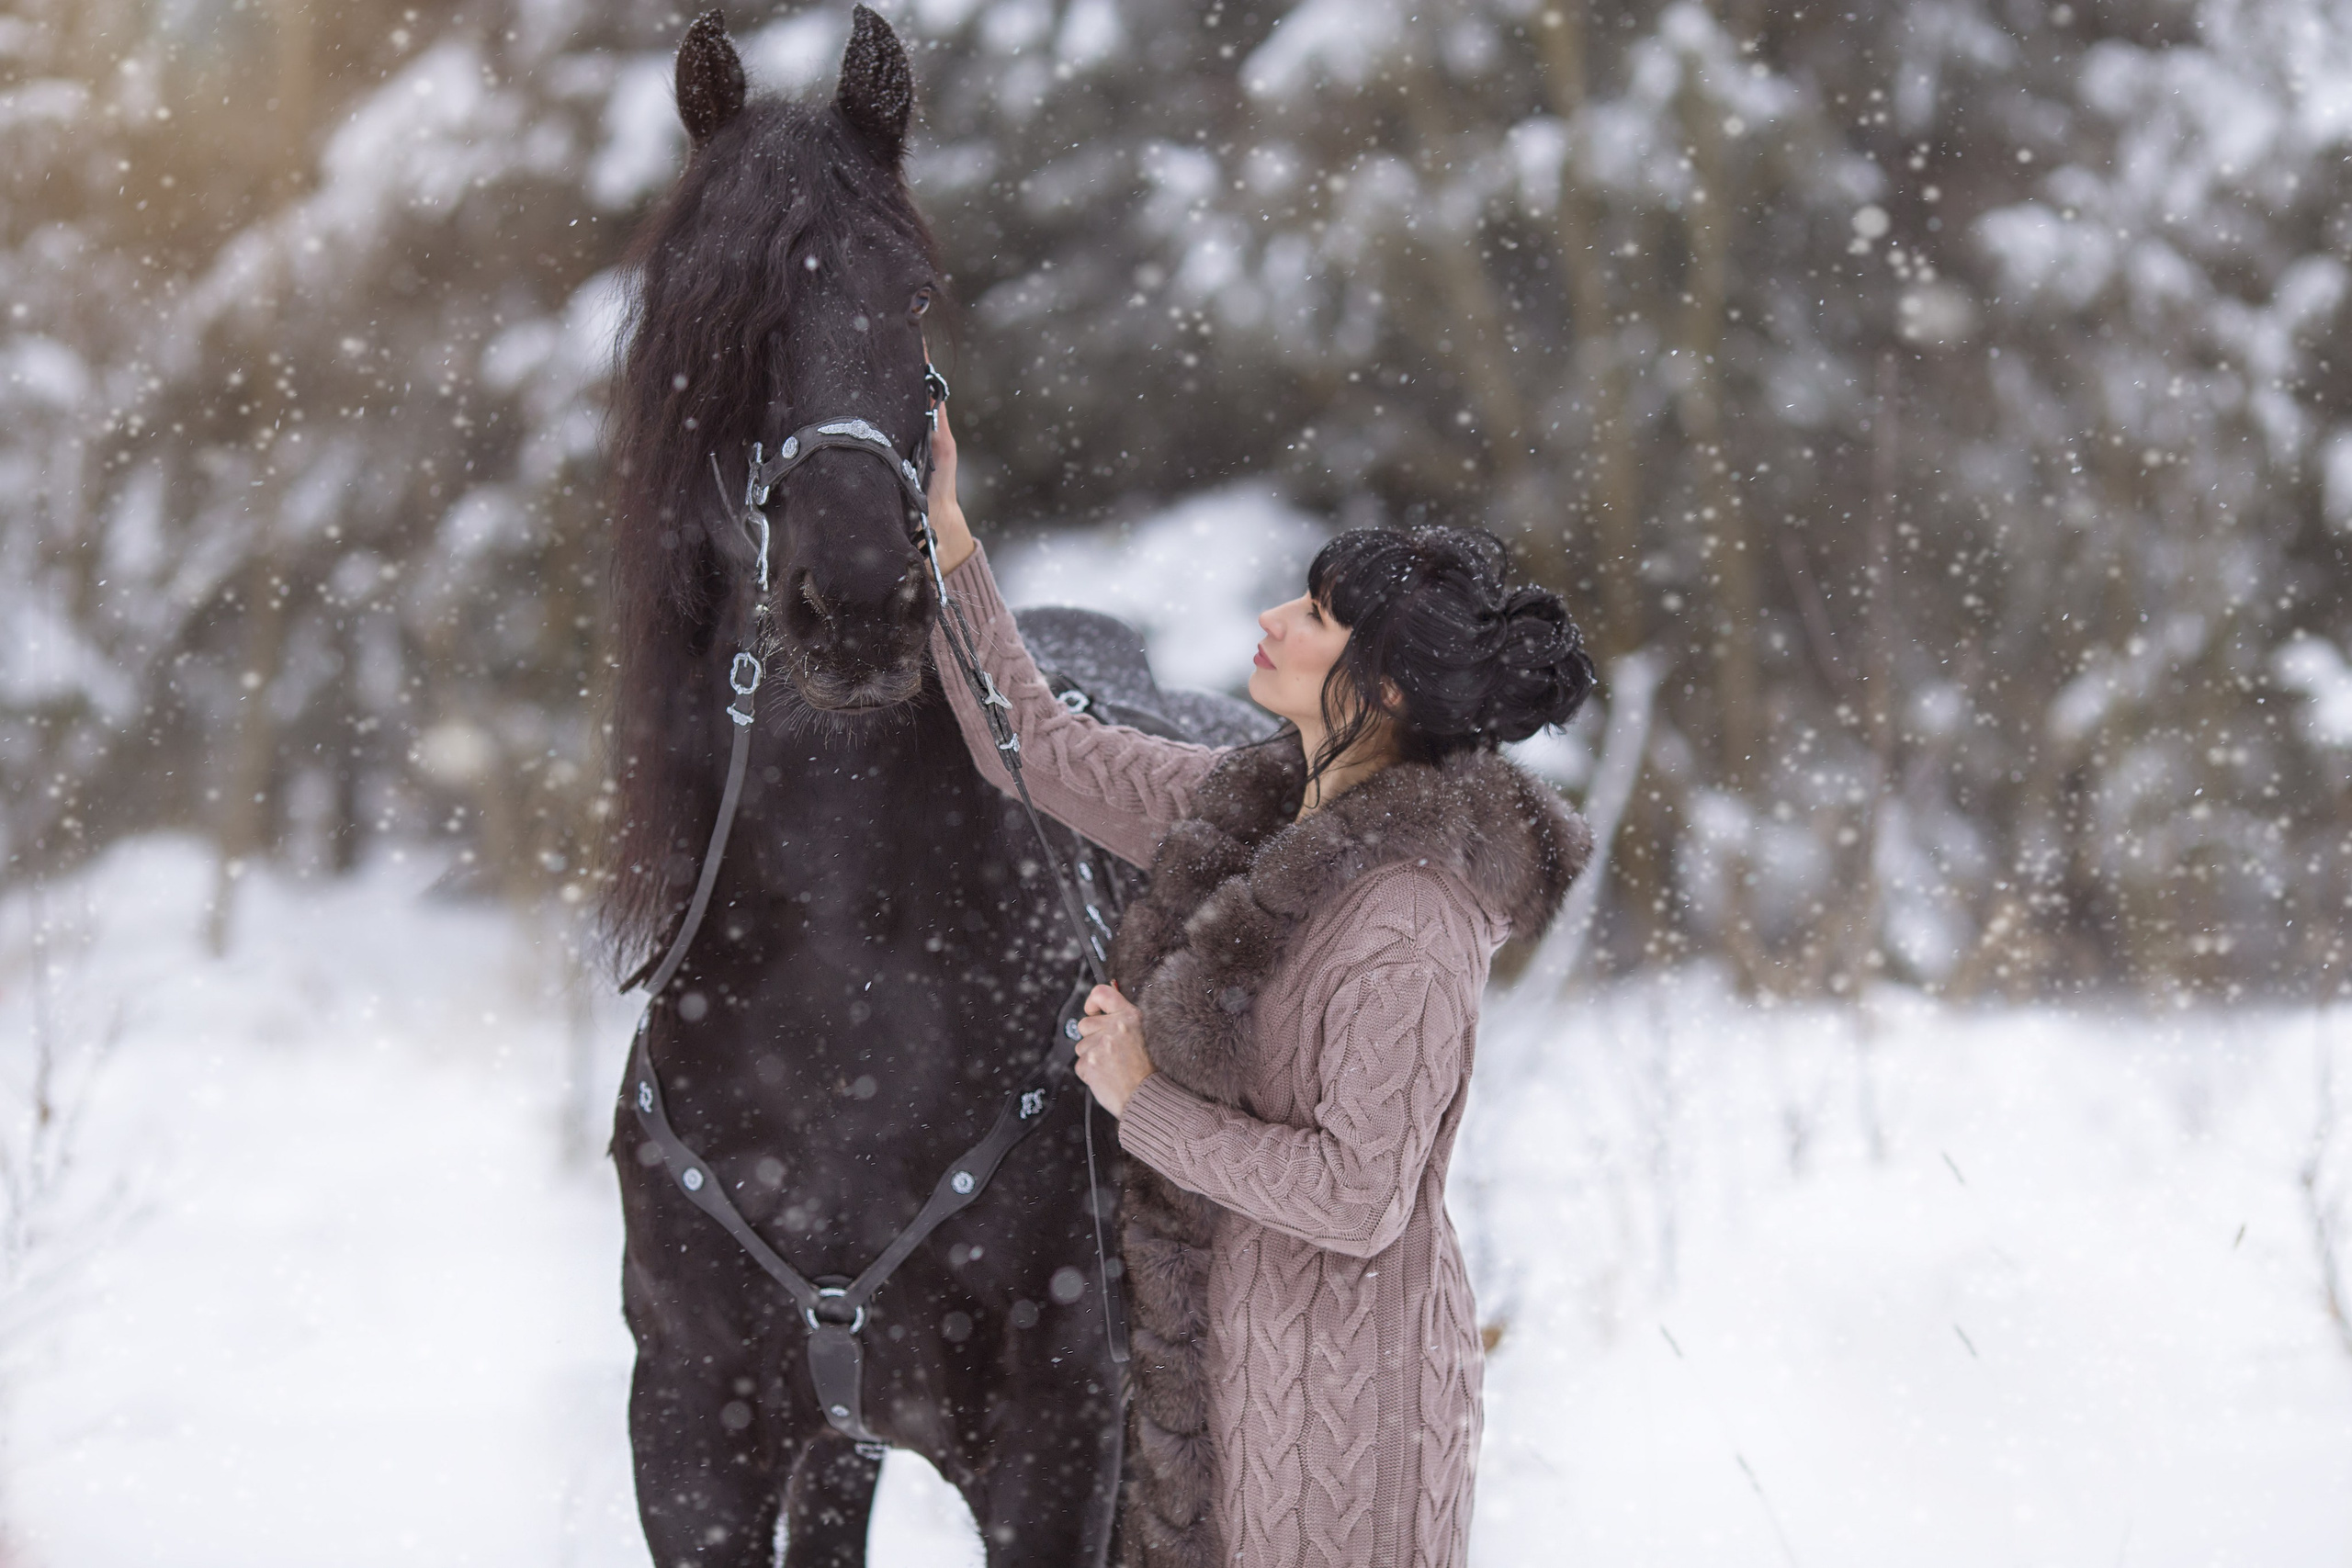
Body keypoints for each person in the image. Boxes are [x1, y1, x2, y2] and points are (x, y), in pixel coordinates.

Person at [923, 407, 1596, 1568]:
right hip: (1212, 1382)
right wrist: (944, 534)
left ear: (1385, 692)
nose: (1273, 622)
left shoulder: (1413, 920)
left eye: (1318, 617)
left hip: (1348, 1424)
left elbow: (1358, 1197)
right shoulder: (1252, 809)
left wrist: (1142, 1098)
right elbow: (1027, 740)